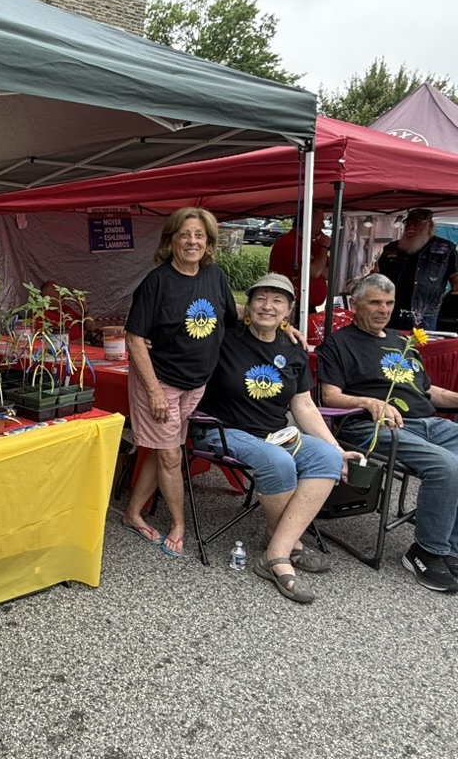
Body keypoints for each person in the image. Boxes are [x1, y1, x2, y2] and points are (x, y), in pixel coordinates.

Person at [197, 273, 360, 603]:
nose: (267, 306)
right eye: (260, 298)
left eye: (277, 301)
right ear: (248, 303)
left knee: (326, 458)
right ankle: (285, 553)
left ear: (290, 310)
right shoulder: (225, 335)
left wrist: (335, 446)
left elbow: (304, 405)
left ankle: (277, 547)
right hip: (222, 430)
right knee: (279, 461)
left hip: (275, 433)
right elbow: (200, 308)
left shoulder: (293, 349)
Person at [316, 273, 458, 592]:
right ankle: (426, 551)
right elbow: (329, 395)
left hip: (428, 424)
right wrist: (370, 402)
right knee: (447, 467)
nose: (384, 309)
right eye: (375, 302)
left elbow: (426, 391)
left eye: (389, 303)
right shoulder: (339, 343)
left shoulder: (402, 340)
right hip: (371, 426)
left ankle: (450, 548)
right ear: (354, 305)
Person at [120, 207, 240, 558]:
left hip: (195, 383)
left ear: (209, 242)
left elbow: (232, 320)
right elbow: (134, 339)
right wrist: (155, 391)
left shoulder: (215, 276)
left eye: (199, 235)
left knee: (164, 451)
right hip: (160, 382)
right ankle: (179, 524)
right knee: (171, 455)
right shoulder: (157, 282)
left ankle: (131, 513)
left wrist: (278, 322)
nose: (192, 241)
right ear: (171, 241)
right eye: (184, 234)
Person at [374, 208, 458, 331]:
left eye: (417, 223)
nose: (411, 227)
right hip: (391, 312)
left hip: (425, 316)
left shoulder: (446, 249)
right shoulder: (391, 249)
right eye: (408, 223)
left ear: (430, 226)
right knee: (391, 348)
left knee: (422, 349)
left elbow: (454, 276)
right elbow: (378, 276)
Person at [268, 209, 332, 313]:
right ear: (309, 221)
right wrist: (324, 247)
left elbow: (327, 273)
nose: (323, 226)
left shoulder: (312, 244)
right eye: (321, 221)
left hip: (308, 307)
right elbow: (314, 272)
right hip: (292, 307)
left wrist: (319, 258)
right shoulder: (289, 243)